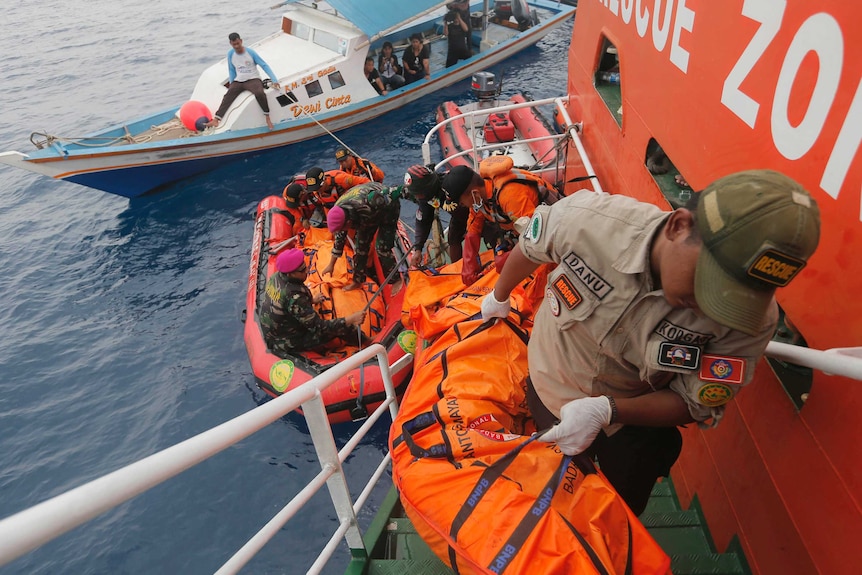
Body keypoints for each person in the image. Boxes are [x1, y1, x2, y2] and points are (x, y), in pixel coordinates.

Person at [479, 170, 821, 515]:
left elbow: (695, 401)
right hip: (549, 389)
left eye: (738, 297)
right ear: (678, 226)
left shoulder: (750, 323)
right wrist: (500, 295)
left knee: (618, 514)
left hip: (633, 426)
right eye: (711, 283)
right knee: (554, 501)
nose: (713, 305)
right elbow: (532, 246)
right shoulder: (589, 221)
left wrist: (606, 410)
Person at [443, 156, 559, 285]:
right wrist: (468, 266)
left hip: (550, 231)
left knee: (503, 263)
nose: (462, 205)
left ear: (474, 194)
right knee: (501, 256)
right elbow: (473, 230)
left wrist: (509, 259)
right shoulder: (479, 200)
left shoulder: (510, 196)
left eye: (461, 202)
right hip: (524, 231)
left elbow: (537, 236)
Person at [259, 249, 366, 354]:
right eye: (302, 270)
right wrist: (351, 319)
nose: (306, 271)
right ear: (290, 274)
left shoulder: (276, 278)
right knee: (344, 327)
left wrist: (312, 300)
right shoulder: (295, 297)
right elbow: (320, 327)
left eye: (305, 267)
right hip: (286, 341)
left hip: (277, 330)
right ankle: (368, 342)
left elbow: (287, 302)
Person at [321, 182, 401, 292]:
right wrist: (331, 265)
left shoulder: (369, 203)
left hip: (387, 208)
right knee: (360, 249)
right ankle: (357, 281)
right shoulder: (338, 214)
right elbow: (339, 242)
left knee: (382, 248)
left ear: (348, 223)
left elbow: (394, 195)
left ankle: (396, 279)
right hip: (363, 217)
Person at [205, 32, 281, 131]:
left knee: (259, 93)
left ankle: (267, 117)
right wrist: (232, 83)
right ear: (230, 43)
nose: (236, 46)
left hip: (253, 79)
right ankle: (216, 119)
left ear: (241, 41)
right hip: (239, 80)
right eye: (234, 44)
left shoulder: (250, 52)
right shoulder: (230, 54)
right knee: (228, 95)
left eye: (238, 43)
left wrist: (274, 80)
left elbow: (264, 65)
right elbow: (231, 69)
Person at [403, 164, 469, 266]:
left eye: (418, 194)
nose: (417, 197)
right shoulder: (426, 197)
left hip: (478, 213)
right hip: (460, 216)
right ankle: (458, 268)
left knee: (477, 235)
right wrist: (418, 249)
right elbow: (423, 221)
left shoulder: (451, 184)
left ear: (426, 187)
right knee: (453, 237)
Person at [305, 166, 371, 211]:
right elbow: (326, 207)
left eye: (319, 187)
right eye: (315, 188)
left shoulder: (342, 179)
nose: (318, 190)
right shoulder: (315, 191)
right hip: (340, 208)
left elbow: (366, 182)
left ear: (324, 180)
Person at [443, 1, 473, 67]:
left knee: (469, 59)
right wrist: (445, 23)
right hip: (453, 50)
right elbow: (445, 33)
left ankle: (470, 49)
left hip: (462, 48)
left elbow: (466, 30)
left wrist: (459, 18)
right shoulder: (450, 26)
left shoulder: (463, 25)